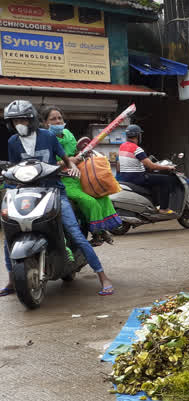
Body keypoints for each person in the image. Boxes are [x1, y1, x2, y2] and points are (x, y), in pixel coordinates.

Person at [1, 100, 114, 297]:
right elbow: (14, 167)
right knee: (9, 235)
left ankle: (103, 276)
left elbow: (66, 158)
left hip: (53, 190)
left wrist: (71, 167)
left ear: (32, 120)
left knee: (74, 232)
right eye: (15, 120)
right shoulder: (13, 142)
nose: (19, 123)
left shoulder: (48, 136)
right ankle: (12, 281)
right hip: (26, 193)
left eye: (23, 119)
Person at [40, 106, 122, 246]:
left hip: (78, 177)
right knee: (89, 201)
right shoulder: (44, 138)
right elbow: (48, 162)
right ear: (44, 123)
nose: (58, 121)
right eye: (53, 119)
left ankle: (102, 230)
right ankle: (97, 233)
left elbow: (75, 154)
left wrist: (83, 153)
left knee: (101, 196)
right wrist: (71, 161)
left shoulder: (68, 134)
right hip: (61, 181)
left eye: (60, 118)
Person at [117, 124, 176, 214]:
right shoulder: (137, 149)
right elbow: (151, 166)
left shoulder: (122, 146)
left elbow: (119, 165)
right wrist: (168, 167)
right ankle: (164, 208)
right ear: (138, 136)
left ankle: (154, 205)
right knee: (166, 180)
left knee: (154, 181)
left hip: (124, 177)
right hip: (137, 178)